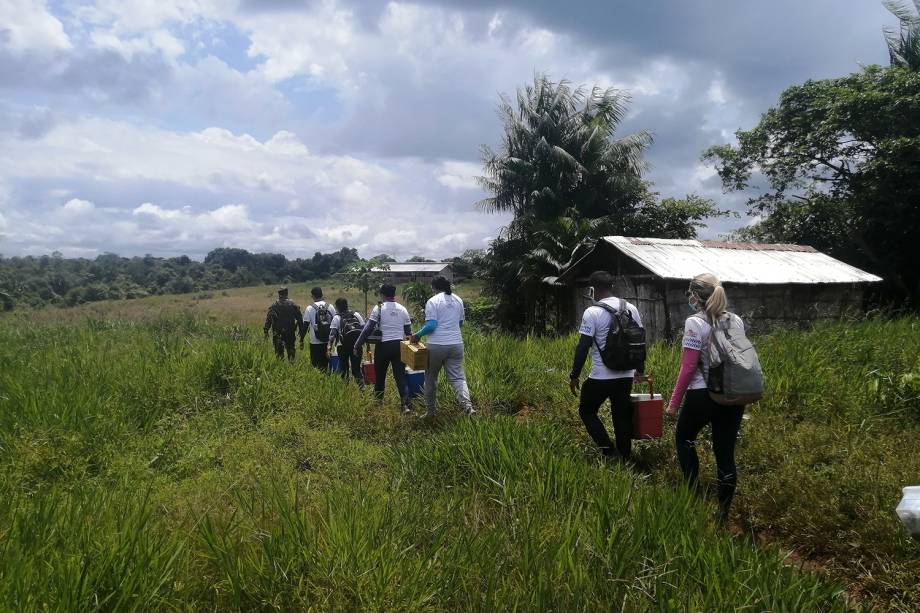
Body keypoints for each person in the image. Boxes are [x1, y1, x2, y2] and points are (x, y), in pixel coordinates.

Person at [667, 272, 745, 524]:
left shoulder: (694, 323)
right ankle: (723, 513)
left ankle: (694, 495)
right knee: (725, 453)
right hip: (732, 395)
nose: (688, 297)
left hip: (702, 394)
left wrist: (673, 403)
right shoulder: (736, 321)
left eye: (690, 292)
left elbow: (688, 368)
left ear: (696, 296)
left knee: (684, 439)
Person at [569, 271, 642, 462]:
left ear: (592, 289)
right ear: (611, 287)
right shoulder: (631, 308)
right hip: (626, 374)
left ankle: (609, 451)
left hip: (601, 376)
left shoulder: (592, 312)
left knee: (587, 411)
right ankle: (625, 457)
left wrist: (574, 375)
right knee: (621, 415)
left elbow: (583, 346)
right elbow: (639, 341)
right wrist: (639, 370)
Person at [410, 275, 474, 417]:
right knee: (458, 378)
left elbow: (432, 325)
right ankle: (468, 407)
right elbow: (460, 324)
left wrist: (418, 335)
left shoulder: (433, 301)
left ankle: (430, 412)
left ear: (434, 288)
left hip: (437, 346)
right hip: (456, 344)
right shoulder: (458, 300)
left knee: (431, 378)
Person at [354, 283, 412, 413]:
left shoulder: (379, 308)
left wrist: (357, 345)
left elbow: (367, 328)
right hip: (399, 346)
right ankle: (405, 405)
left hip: (383, 347)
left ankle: (378, 404)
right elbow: (408, 332)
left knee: (380, 377)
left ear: (382, 294)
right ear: (394, 294)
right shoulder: (402, 309)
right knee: (400, 377)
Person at [329, 297, 365, 390]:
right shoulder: (356, 314)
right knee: (356, 369)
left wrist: (329, 347)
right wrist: (367, 345)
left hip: (342, 347)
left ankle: (345, 390)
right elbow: (364, 330)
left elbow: (332, 334)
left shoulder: (337, 318)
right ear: (347, 305)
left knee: (344, 369)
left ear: (337, 307)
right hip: (356, 346)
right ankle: (362, 390)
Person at [262, 286, 304, 362]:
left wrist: (266, 330)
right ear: (287, 293)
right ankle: (292, 368)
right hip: (290, 332)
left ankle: (280, 368)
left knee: (278, 353)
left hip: (277, 332)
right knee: (291, 351)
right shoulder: (293, 304)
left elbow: (269, 319)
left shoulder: (274, 305)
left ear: (279, 294)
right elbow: (300, 319)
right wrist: (301, 332)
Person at [303, 287, 335, 372]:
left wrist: (301, 339)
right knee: (328, 365)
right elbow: (336, 322)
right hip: (328, 342)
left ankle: (320, 382)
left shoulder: (309, 308)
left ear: (312, 296)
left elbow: (305, 325)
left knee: (316, 366)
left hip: (315, 342)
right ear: (322, 295)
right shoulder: (330, 307)